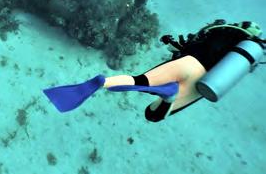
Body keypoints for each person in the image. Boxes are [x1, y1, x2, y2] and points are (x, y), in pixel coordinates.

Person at [43, 20, 264, 122]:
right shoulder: (245, 55)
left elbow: (188, 45)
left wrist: (172, 43)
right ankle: (169, 97)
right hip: (205, 80)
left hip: (188, 62)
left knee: (139, 79)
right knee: (152, 114)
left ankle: (103, 82)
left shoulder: (220, 29)